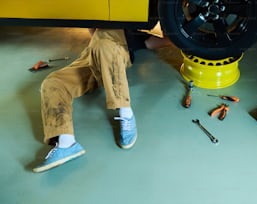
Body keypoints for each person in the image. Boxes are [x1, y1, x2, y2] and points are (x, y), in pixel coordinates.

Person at [32, 28, 172, 173]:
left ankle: (126, 113)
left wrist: (177, 29)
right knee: (53, 83)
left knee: (103, 46)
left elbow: (162, 40)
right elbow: (93, 31)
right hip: (88, 57)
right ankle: (66, 143)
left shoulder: (134, 31)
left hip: (115, 53)